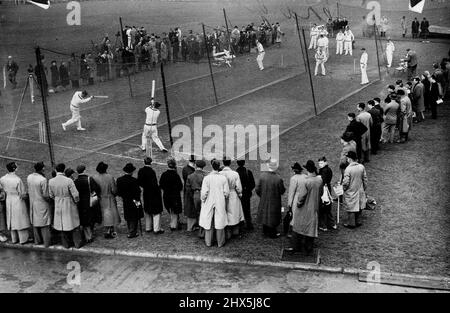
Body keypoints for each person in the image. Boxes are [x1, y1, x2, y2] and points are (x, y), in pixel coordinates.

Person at [286, 160, 323, 254]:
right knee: (311, 229)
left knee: (298, 226)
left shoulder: (307, 181)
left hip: (304, 207)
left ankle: (296, 246)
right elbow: (321, 193)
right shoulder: (319, 179)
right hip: (314, 207)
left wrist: (298, 203)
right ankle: (308, 249)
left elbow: (301, 197)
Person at [48, 163, 82, 249]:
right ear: (64, 170)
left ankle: (66, 244)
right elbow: (76, 194)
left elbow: (51, 195)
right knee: (74, 224)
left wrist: (57, 199)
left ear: (56, 170)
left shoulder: (51, 181)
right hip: (69, 203)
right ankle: (77, 244)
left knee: (62, 225)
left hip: (58, 203)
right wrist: (76, 202)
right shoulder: (68, 180)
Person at [199, 159, 229, 247]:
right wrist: (224, 198)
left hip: (209, 201)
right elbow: (226, 192)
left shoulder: (207, 178)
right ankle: (220, 242)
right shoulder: (223, 178)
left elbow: (204, 193)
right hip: (220, 201)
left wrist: (203, 200)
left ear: (212, 166)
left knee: (209, 220)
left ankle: (208, 242)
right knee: (219, 220)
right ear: (219, 167)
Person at [0, 162, 31, 244]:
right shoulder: (17, 179)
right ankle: (23, 239)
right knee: (20, 219)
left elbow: (2, 189)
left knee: (11, 219)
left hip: (8, 199)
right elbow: (23, 193)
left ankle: (14, 239)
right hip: (17, 199)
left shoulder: (2, 178)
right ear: (14, 169)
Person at [256, 158, 286, 239]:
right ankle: (272, 233)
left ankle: (265, 231)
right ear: (275, 167)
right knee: (273, 217)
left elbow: (257, 189)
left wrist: (262, 196)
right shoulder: (278, 178)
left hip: (264, 199)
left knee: (265, 214)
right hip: (274, 201)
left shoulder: (262, 176)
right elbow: (282, 190)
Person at [27, 161, 52, 247]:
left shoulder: (29, 177)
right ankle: (46, 243)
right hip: (41, 203)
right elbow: (45, 194)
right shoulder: (43, 180)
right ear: (42, 168)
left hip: (33, 202)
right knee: (45, 223)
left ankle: (37, 241)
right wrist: (50, 200)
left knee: (35, 222)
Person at [92, 161, 120, 239]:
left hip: (100, 198)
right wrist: (114, 194)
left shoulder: (94, 177)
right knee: (110, 214)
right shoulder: (110, 177)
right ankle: (109, 230)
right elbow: (114, 189)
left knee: (103, 214)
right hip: (109, 197)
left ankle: (106, 229)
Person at [137, 157, 164, 235]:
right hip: (153, 192)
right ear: (150, 162)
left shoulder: (141, 171)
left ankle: (148, 227)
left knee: (148, 210)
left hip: (146, 192)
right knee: (156, 211)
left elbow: (139, 182)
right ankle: (156, 228)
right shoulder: (151, 171)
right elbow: (154, 184)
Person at [74, 165, 100, 243]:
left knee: (84, 220)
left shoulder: (76, 181)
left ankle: (87, 235)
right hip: (90, 202)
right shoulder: (89, 179)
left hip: (81, 203)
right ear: (84, 170)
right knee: (91, 218)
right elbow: (97, 189)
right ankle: (89, 236)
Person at [117, 163, 143, 239]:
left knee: (128, 215)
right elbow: (138, 192)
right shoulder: (134, 180)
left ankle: (131, 229)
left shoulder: (119, 180)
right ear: (131, 172)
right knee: (135, 215)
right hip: (134, 200)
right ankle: (132, 232)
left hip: (125, 200)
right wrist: (138, 203)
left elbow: (119, 192)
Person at [220, 157, 245, 239]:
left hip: (223, 195)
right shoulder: (235, 174)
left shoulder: (220, 173)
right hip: (233, 194)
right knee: (234, 213)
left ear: (223, 163)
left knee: (225, 211)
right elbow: (239, 187)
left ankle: (227, 231)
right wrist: (240, 194)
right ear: (230, 163)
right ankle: (235, 231)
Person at [342, 151, 367, 229]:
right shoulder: (361, 167)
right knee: (359, 206)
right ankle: (358, 221)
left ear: (349, 159)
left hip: (351, 190)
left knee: (351, 207)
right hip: (360, 189)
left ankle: (351, 223)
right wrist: (364, 188)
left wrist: (344, 189)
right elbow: (365, 179)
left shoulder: (348, 169)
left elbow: (346, 182)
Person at [159, 158, 183, 231]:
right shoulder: (176, 175)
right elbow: (180, 186)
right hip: (175, 196)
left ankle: (174, 223)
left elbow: (161, 185)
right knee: (174, 211)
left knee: (170, 209)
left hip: (166, 195)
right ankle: (173, 225)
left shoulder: (164, 174)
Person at [185, 159, 206, 233]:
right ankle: (201, 228)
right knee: (202, 211)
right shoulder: (205, 176)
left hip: (194, 194)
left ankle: (192, 226)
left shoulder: (190, 176)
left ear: (196, 166)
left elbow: (187, 188)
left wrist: (192, 195)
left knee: (193, 209)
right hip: (203, 194)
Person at [286, 162, 307, 234]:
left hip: (296, 198)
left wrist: (289, 204)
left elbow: (291, 192)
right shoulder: (305, 176)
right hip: (304, 198)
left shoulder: (293, 178)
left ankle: (291, 232)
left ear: (294, 171)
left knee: (294, 216)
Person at [235, 159, 255, 230]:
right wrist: (248, 190)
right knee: (247, 209)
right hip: (246, 193)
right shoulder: (248, 172)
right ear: (244, 163)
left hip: (238, 194)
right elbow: (253, 184)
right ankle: (249, 224)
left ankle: (240, 225)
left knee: (239, 209)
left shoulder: (235, 173)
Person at [317, 157, 336, 231]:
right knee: (328, 208)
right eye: (319, 163)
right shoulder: (329, 169)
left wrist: (318, 177)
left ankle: (323, 225)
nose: (320, 165)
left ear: (325, 162)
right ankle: (332, 224)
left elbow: (322, 180)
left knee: (322, 208)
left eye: (321, 163)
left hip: (323, 190)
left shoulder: (323, 171)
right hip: (328, 189)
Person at [182, 155, 196, 227]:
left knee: (188, 205)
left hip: (186, 189)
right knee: (191, 207)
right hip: (191, 190)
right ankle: (191, 225)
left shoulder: (184, 168)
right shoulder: (191, 171)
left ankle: (190, 223)